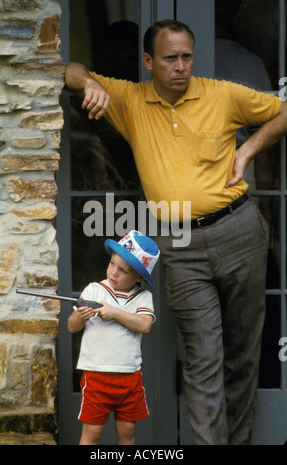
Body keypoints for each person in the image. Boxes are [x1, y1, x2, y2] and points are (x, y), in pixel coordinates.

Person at [64, 19, 287, 444]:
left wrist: (248, 148)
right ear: (148, 62)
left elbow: (283, 111)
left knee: (242, 359)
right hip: (181, 247)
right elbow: (64, 69)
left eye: (186, 56)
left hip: (239, 232)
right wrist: (90, 84)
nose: (181, 66)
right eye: (170, 58)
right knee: (203, 360)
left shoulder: (222, 94)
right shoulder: (129, 99)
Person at [67, 230, 160, 445]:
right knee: (92, 434)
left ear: (139, 276)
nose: (114, 272)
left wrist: (115, 313)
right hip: (96, 376)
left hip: (129, 377)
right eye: (112, 264)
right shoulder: (94, 290)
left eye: (123, 270)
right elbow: (72, 326)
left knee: (127, 433)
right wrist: (80, 316)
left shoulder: (143, 297)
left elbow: (145, 325)